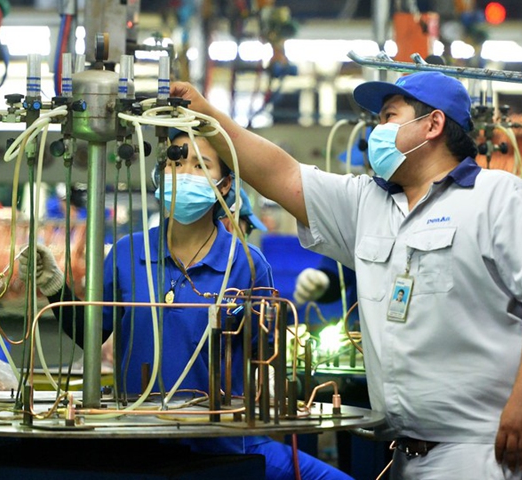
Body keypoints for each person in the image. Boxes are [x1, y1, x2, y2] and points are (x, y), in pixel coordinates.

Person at [171, 71, 522, 479]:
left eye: (388, 117)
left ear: (433, 124)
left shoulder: (500, 197)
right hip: (408, 451)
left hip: (487, 445)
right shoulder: (369, 204)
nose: (376, 131)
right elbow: (283, 175)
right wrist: (206, 115)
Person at [20, 130, 351, 480]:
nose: (184, 173)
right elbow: (90, 334)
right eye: (175, 162)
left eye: (200, 165)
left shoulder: (246, 264)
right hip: (137, 443)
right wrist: (54, 286)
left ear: (225, 185)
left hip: (220, 447)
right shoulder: (128, 253)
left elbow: (265, 355)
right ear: (160, 174)